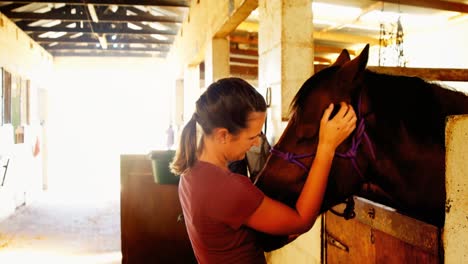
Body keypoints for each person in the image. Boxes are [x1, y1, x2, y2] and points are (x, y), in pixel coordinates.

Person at [170, 77, 357, 264]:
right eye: (252, 136)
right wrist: (326, 146)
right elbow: (302, 220)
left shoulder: (189, 173)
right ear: (223, 135)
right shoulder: (229, 188)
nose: (257, 142)